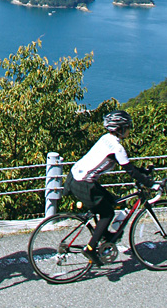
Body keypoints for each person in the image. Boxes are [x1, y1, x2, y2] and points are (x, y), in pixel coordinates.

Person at [64, 110, 161, 267]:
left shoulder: (106, 139)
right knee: (107, 213)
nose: (129, 130)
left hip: (76, 177)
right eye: (127, 127)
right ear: (120, 128)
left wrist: (143, 172)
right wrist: (152, 184)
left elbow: (129, 167)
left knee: (114, 201)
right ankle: (90, 248)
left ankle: (106, 236)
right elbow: (130, 171)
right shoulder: (117, 148)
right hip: (84, 183)